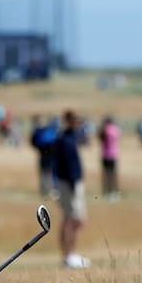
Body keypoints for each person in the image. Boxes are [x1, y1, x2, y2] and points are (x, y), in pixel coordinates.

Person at [53, 109, 89, 269]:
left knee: (77, 219)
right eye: (74, 120)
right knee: (71, 219)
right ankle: (68, 256)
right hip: (68, 184)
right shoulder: (64, 139)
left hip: (73, 183)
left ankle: (70, 254)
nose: (77, 123)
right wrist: (72, 182)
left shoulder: (71, 137)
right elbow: (64, 165)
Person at [29, 114, 58, 199]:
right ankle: (46, 191)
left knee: (50, 173)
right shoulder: (40, 132)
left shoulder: (46, 131)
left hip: (49, 156)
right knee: (45, 174)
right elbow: (34, 143)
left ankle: (51, 191)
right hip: (45, 156)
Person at [98, 115, 121, 201]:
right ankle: (114, 192)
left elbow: (101, 138)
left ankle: (107, 192)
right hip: (114, 155)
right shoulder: (116, 130)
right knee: (113, 175)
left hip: (105, 155)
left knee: (106, 175)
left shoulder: (105, 130)